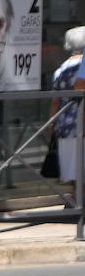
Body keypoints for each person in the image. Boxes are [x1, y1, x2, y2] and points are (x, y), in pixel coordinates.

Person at [48, 25, 85, 183]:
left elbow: (55, 101)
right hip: (81, 122)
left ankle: (74, 198)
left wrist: (51, 124)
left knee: (70, 169)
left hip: (66, 123)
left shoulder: (61, 69)